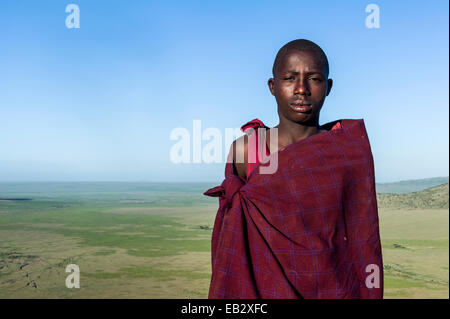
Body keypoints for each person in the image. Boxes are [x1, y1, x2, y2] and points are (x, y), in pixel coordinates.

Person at [204, 39, 383, 299]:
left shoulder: (346, 151)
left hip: (331, 288)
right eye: (289, 78)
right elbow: (234, 236)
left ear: (328, 86)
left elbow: (360, 240)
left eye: (314, 79)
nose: (301, 89)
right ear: (273, 86)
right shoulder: (247, 150)